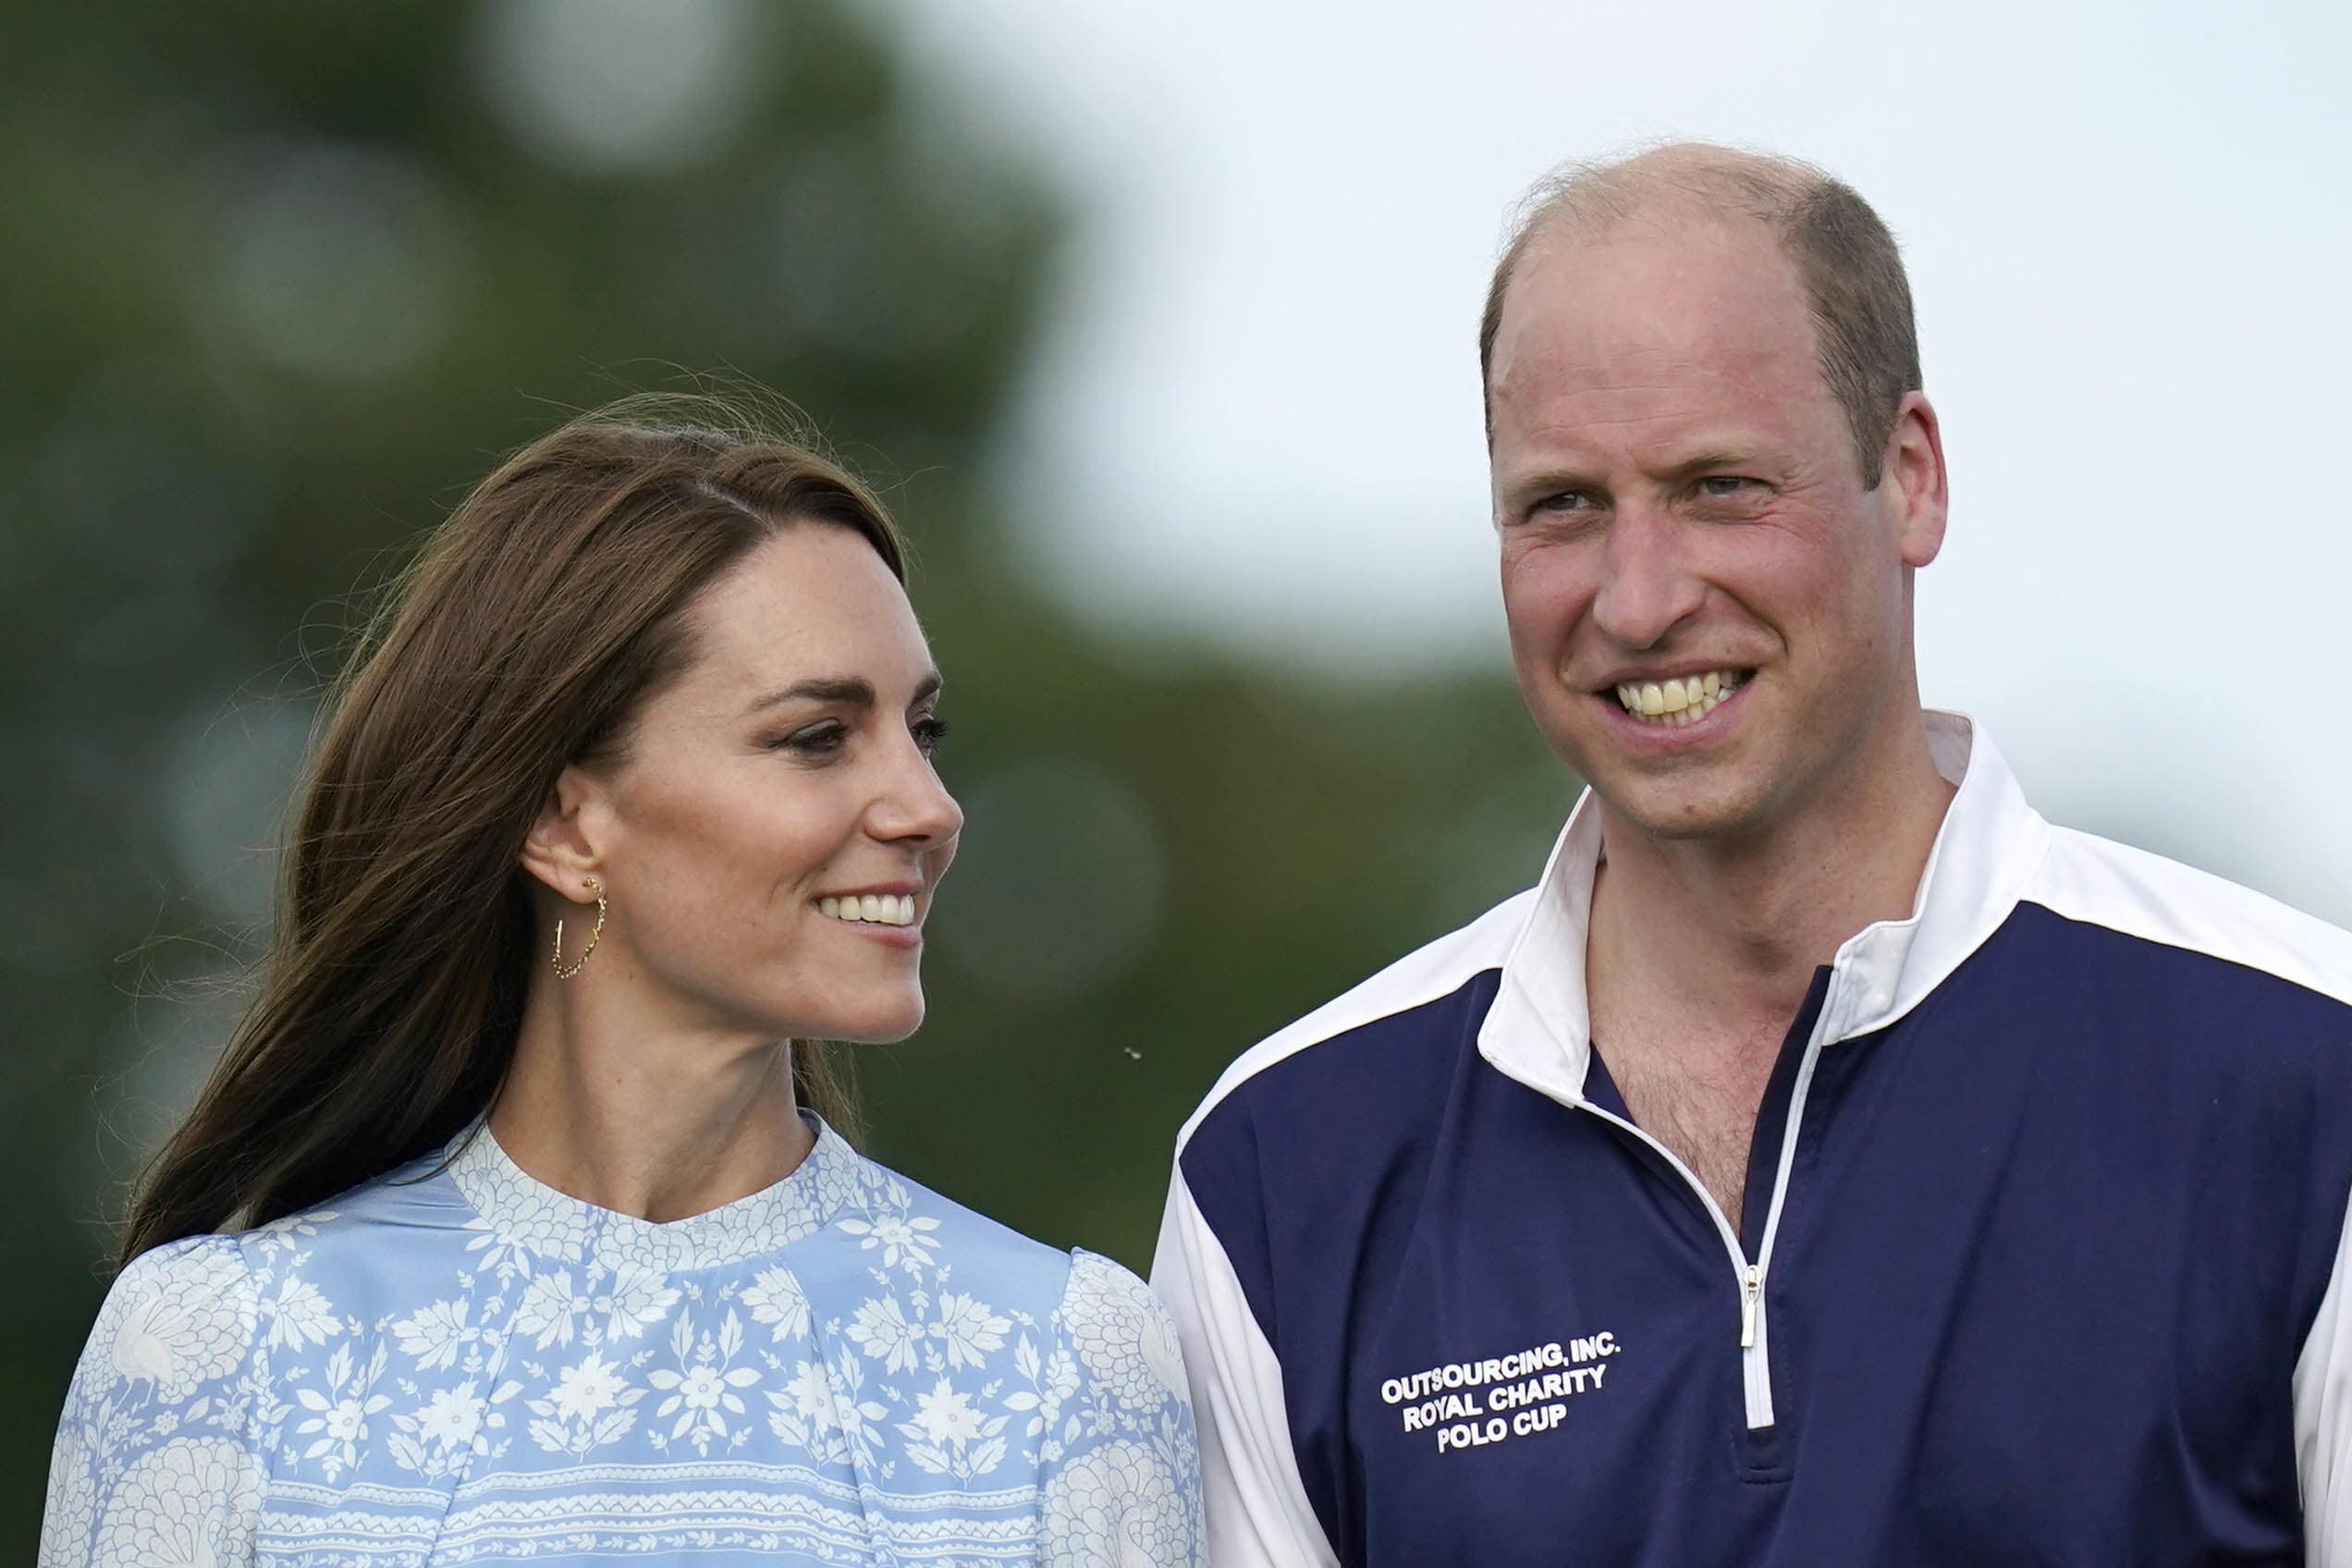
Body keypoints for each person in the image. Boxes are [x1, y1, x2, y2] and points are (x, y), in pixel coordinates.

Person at [1151, 142, 2352, 1564]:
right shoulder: (1285, 1167)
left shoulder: (2297, 1075)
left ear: (1909, 479)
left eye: (1720, 487)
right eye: (1562, 505)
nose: (1641, 598)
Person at [41, 398, 1203, 1568]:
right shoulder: (220, 1351)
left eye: (924, 730)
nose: (930, 809)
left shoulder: (1064, 1362)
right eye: (818, 737)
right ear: (564, 819)